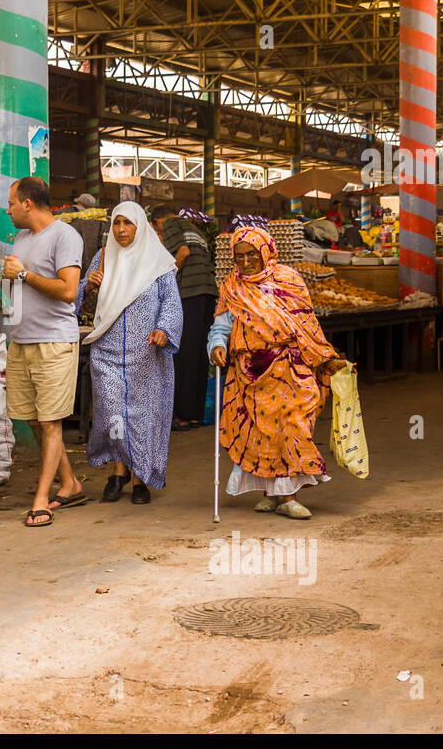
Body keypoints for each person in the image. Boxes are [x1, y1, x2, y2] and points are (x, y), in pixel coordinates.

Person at [208, 227, 348, 520]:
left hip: (290, 369)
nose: (246, 262)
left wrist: (322, 356)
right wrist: (217, 346)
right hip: (250, 374)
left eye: (252, 255)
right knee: (259, 432)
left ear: (266, 251)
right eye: (239, 256)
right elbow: (221, 327)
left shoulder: (289, 280)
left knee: (292, 426)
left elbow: (306, 324)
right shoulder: (232, 287)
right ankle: (274, 494)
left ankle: (289, 495)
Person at [77, 202, 182, 504]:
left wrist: (165, 329)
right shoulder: (102, 258)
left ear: (140, 225)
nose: (121, 229)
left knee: (140, 416)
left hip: (146, 353)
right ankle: (118, 470)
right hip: (107, 351)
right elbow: (84, 307)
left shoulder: (158, 261)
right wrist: (88, 286)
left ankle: (138, 478)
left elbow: (171, 302)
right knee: (112, 413)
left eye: (128, 223)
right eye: (117, 223)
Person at [2, 176, 87, 527]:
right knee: (34, 420)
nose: (6, 210)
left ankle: (41, 500)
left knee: (51, 422)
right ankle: (70, 483)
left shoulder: (66, 236)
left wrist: (23, 276)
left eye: (10, 203)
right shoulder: (22, 239)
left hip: (54, 340)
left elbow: (68, 291)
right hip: (22, 340)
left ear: (27, 204)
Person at [155, 207, 217, 430]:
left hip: (189, 293)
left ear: (157, 222)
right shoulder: (194, 228)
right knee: (199, 352)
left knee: (184, 353)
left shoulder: (171, 225)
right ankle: (195, 414)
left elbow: (182, 253)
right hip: (208, 291)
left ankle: (183, 415)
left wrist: (166, 282)